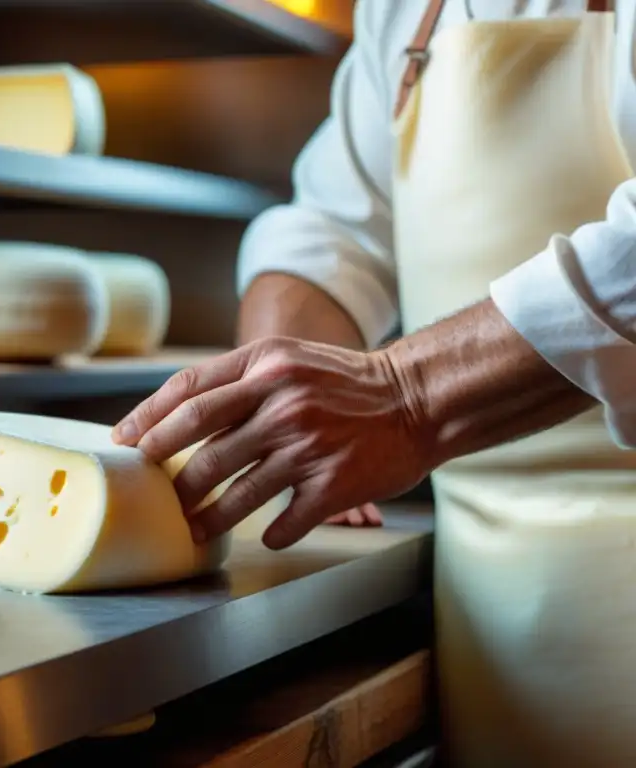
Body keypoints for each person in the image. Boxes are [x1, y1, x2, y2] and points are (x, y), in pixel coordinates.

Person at [114, 1, 636, 766]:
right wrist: (279, 399)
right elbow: (333, 228)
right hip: (498, 615)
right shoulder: (408, 14)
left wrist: (403, 397)